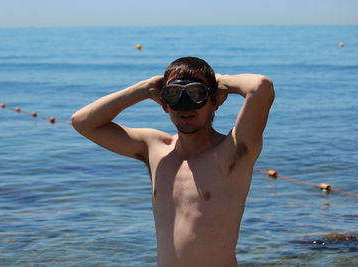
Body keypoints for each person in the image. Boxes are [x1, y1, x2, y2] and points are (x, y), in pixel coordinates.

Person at [71, 57, 275, 267]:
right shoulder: (155, 149)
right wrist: (145, 88)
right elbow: (82, 122)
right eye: (175, 95)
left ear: (214, 101)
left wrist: (219, 81)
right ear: (164, 104)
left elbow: (261, 87)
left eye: (196, 94)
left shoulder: (233, 151)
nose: (185, 106)